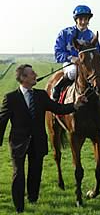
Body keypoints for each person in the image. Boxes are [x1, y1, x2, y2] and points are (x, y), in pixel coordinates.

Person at [0, 64, 87, 213]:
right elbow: (2, 121)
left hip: (37, 141)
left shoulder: (40, 95)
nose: (35, 74)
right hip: (18, 143)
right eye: (31, 73)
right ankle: (19, 207)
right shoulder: (11, 98)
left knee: (35, 172)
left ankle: (33, 198)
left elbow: (58, 108)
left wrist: (75, 105)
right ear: (23, 78)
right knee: (18, 174)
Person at [52, 4, 100, 101]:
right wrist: (72, 58)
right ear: (76, 20)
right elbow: (58, 52)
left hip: (88, 67)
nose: (83, 22)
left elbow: (97, 56)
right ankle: (57, 89)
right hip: (70, 63)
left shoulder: (91, 36)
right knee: (73, 71)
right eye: (81, 19)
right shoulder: (65, 33)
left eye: (86, 19)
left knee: (99, 77)